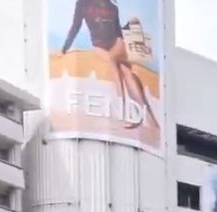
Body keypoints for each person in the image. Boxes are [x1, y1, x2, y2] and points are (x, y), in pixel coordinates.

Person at [59, 0, 160, 131]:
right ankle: (145, 116)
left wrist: (64, 49)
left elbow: (117, 32)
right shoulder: (84, 3)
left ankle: (125, 109)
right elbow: (76, 26)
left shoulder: (111, 6)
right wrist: (65, 48)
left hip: (113, 44)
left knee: (118, 65)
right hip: (100, 46)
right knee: (124, 70)